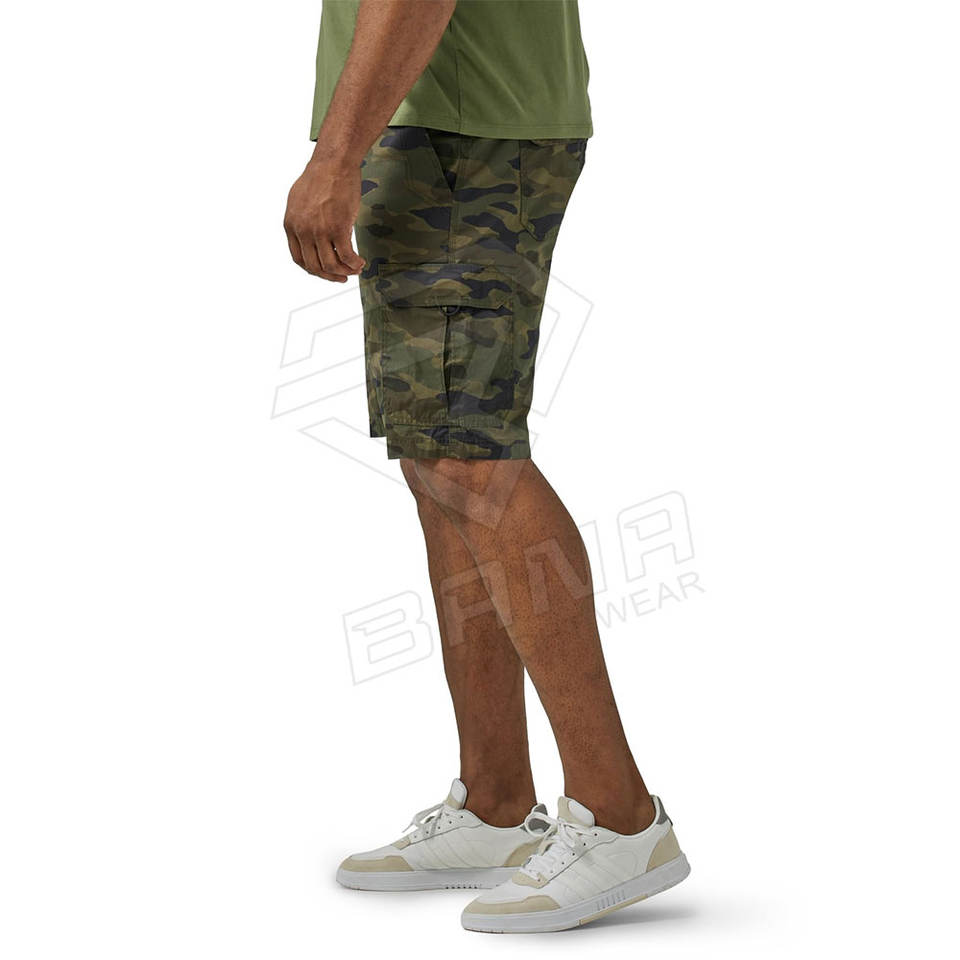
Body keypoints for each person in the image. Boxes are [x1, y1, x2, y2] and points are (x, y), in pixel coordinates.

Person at [283, 0, 689, 933]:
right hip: (444, 121)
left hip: (460, 128)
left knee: (470, 459)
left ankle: (620, 815)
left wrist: (336, 157)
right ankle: (497, 799)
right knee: (441, 462)